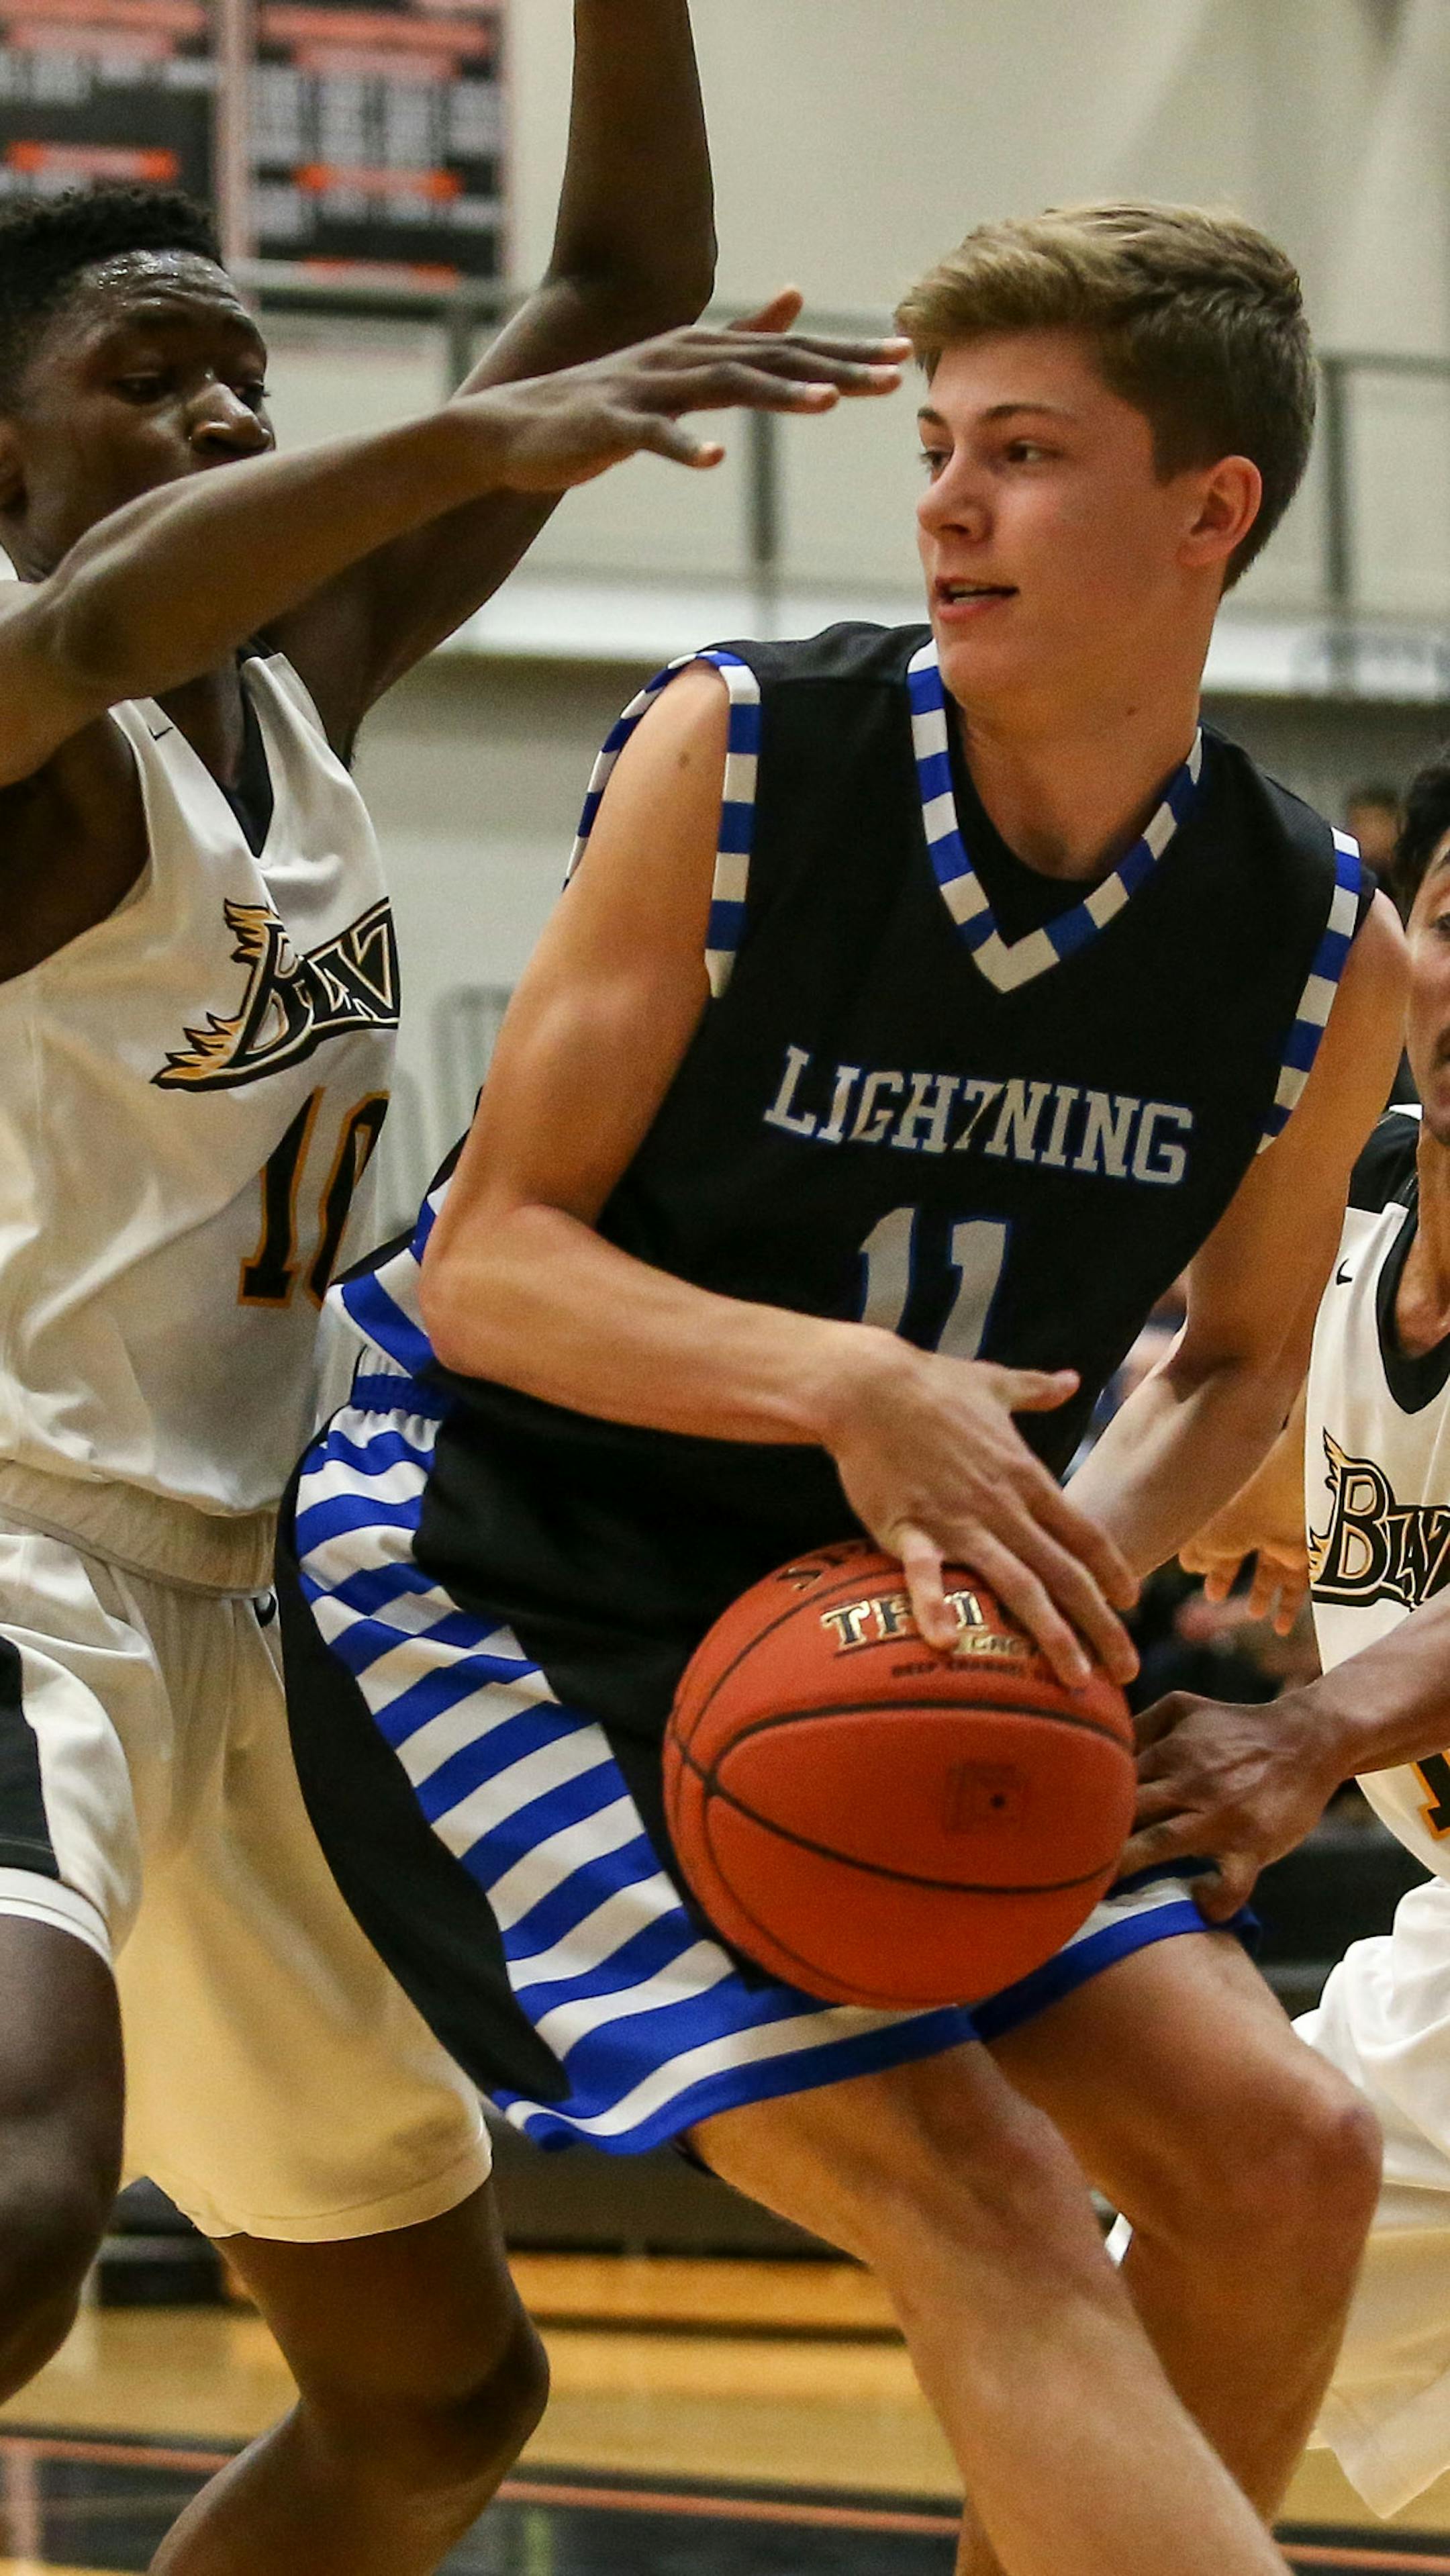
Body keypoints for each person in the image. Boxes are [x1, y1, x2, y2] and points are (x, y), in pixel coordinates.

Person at [277, 202, 1405, 2576]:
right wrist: (856, 1384)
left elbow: (1230, 1360)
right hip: (506, 1572)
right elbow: (491, 1266)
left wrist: (1041, 1572)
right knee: (983, 2189)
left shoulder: (1318, 936)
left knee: (1280, 2149)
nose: (948, 505)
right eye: (937, 448)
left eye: (1027, 450)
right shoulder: (753, 750)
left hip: (855, 1618)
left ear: (1215, 507)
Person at [0, 9, 911, 2566]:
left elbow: (626, 268)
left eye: (246, 376)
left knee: (434, 2396)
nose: (219, 413)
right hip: (7, 1554)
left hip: (258, 1593)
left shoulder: (298, 680)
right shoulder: (32, 717)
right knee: (14, 2212)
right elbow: (77, 640)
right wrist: (465, 437)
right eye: (146, 374)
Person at [1127, 738, 1450, 2525]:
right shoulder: (1334, 1224)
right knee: (1136, 2325)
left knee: (1143, 2325)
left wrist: (1310, 1732)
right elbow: (1223, 1432)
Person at [1346, 783, 1402, 884]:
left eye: (1373, 822)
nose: (1363, 832)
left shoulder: (1414, 882)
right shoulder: (1348, 880)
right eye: (1357, 822)